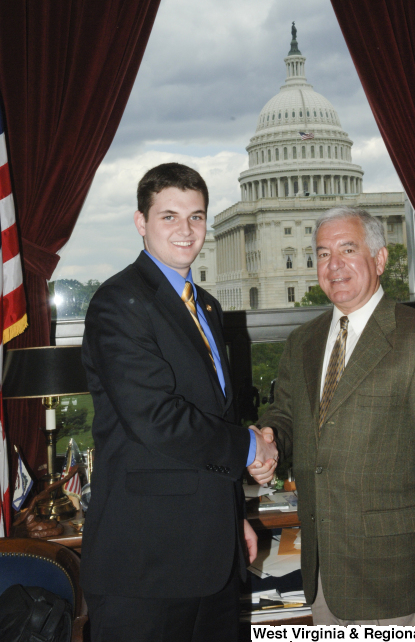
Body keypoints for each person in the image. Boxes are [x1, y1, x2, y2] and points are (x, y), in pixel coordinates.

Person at [81, 162, 277, 642]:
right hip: (146, 565)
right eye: (169, 216)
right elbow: (158, 419)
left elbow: (213, 415)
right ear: (140, 222)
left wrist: (233, 521)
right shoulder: (117, 304)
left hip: (211, 555)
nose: (186, 230)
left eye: (196, 216)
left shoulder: (205, 304)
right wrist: (251, 447)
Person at [249, 207, 415, 626]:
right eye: (323, 254)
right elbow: (287, 414)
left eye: (348, 250)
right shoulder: (303, 341)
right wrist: (270, 438)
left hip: (397, 579)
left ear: (380, 259)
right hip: (322, 573)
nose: (334, 265)